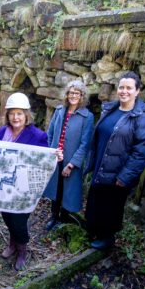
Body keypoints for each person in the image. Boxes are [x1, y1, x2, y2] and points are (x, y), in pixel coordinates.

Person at [85, 71, 145, 250]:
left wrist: (125, 177)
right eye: (121, 87)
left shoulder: (142, 117)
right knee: (96, 200)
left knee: (111, 206)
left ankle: (107, 238)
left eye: (129, 88)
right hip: (101, 164)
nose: (124, 91)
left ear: (137, 91)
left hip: (118, 172)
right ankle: (93, 230)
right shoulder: (111, 109)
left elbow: (142, 152)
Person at [0, 93, 60, 270]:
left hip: (23, 188)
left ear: (26, 115)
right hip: (4, 185)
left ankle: (22, 248)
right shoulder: (2, 132)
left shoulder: (37, 136)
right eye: (12, 113)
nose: (15, 117)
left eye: (20, 113)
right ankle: (12, 243)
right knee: (7, 216)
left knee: (19, 221)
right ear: (7, 115)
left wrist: (55, 156)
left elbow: (44, 158)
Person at [43, 80, 94, 231]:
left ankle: (63, 218)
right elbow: (50, 133)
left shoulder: (87, 116)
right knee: (56, 188)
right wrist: (51, 152)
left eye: (76, 93)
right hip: (55, 157)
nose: (73, 96)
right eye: (71, 92)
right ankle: (54, 216)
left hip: (71, 161)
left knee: (68, 190)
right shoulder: (59, 111)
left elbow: (85, 144)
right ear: (67, 94)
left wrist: (71, 164)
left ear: (82, 96)